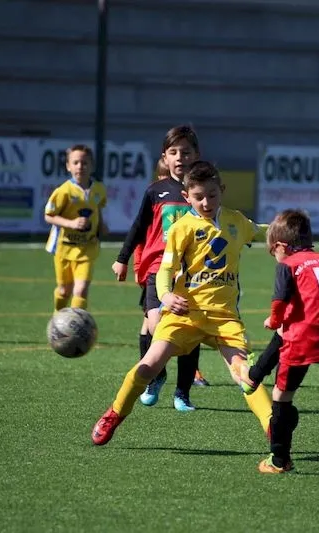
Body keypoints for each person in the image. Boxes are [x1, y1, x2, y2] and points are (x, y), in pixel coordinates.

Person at [91, 160, 274, 445]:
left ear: (222, 190)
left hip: (224, 317)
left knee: (244, 373)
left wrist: (287, 231)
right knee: (148, 365)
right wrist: (165, 295)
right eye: (199, 197)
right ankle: (114, 413)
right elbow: (166, 269)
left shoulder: (236, 221)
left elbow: (264, 232)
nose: (206, 202)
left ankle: (274, 428)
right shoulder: (182, 228)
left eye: (212, 195)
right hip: (185, 314)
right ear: (187, 196)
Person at [244, 209, 319, 474]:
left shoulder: (288, 265)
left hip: (304, 339)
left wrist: (273, 320)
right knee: (288, 328)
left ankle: (279, 460)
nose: (274, 257)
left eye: (273, 252)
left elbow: (279, 301)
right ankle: (254, 376)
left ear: (281, 246)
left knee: (280, 396)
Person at [111, 126, 208, 413]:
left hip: (192, 273)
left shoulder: (201, 192)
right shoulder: (156, 191)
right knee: (155, 325)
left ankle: (183, 393)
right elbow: (139, 226)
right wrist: (123, 258)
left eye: (186, 152)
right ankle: (158, 375)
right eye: (173, 152)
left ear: (196, 155)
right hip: (159, 269)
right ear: (164, 157)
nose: (180, 157)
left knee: (190, 332)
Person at [44, 144, 108, 311]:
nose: (80, 166)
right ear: (68, 166)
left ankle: (75, 325)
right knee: (64, 291)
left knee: (80, 290)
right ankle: (59, 317)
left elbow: (98, 209)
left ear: (92, 166)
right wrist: (71, 223)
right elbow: (49, 216)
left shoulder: (99, 189)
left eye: (85, 163)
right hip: (64, 248)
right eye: (76, 162)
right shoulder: (63, 191)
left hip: (87, 248)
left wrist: (101, 225)